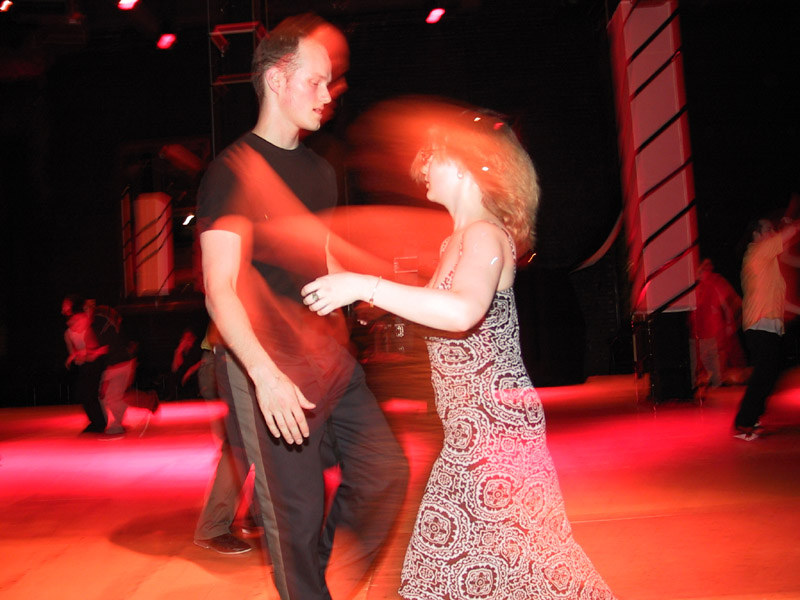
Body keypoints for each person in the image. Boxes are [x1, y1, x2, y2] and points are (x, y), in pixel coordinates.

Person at [302, 104, 616, 599]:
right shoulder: (458, 239)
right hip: (470, 433)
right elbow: (433, 310)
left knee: (510, 570)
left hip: (496, 435)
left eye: (434, 155)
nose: (422, 165)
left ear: (469, 164)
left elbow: (462, 311)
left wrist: (363, 284)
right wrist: (338, 270)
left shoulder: (485, 236)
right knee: (499, 571)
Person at [195, 17, 407, 599]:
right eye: (315, 82)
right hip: (270, 365)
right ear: (276, 80)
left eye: (329, 82)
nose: (326, 95)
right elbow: (219, 286)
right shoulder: (230, 172)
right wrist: (264, 377)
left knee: (384, 471)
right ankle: (308, 583)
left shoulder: (318, 171)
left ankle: (316, 578)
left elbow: (321, 260)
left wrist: (390, 293)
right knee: (297, 518)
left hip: (329, 358)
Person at [733, 217, 800, 441]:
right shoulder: (758, 251)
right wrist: (794, 224)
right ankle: (744, 421)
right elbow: (788, 234)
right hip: (760, 323)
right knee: (764, 374)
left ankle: (752, 418)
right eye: (768, 229)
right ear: (757, 235)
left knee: (769, 374)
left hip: (769, 324)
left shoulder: (768, 264)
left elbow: (780, 301)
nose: (772, 232)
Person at [689, 258, 744, 393]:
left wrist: (731, 324)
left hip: (714, 331)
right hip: (703, 332)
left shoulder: (715, 282)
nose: (707, 269)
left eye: (708, 265)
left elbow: (732, 304)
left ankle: (719, 379)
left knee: (719, 361)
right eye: (704, 266)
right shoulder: (695, 285)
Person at [62, 294, 106, 434]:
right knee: (84, 393)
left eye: (66, 304)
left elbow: (93, 347)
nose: (63, 308)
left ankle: (99, 423)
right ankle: (97, 422)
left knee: (89, 393)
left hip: (93, 361)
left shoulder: (84, 320)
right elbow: (74, 351)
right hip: (86, 363)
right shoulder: (69, 330)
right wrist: (74, 356)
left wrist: (82, 354)